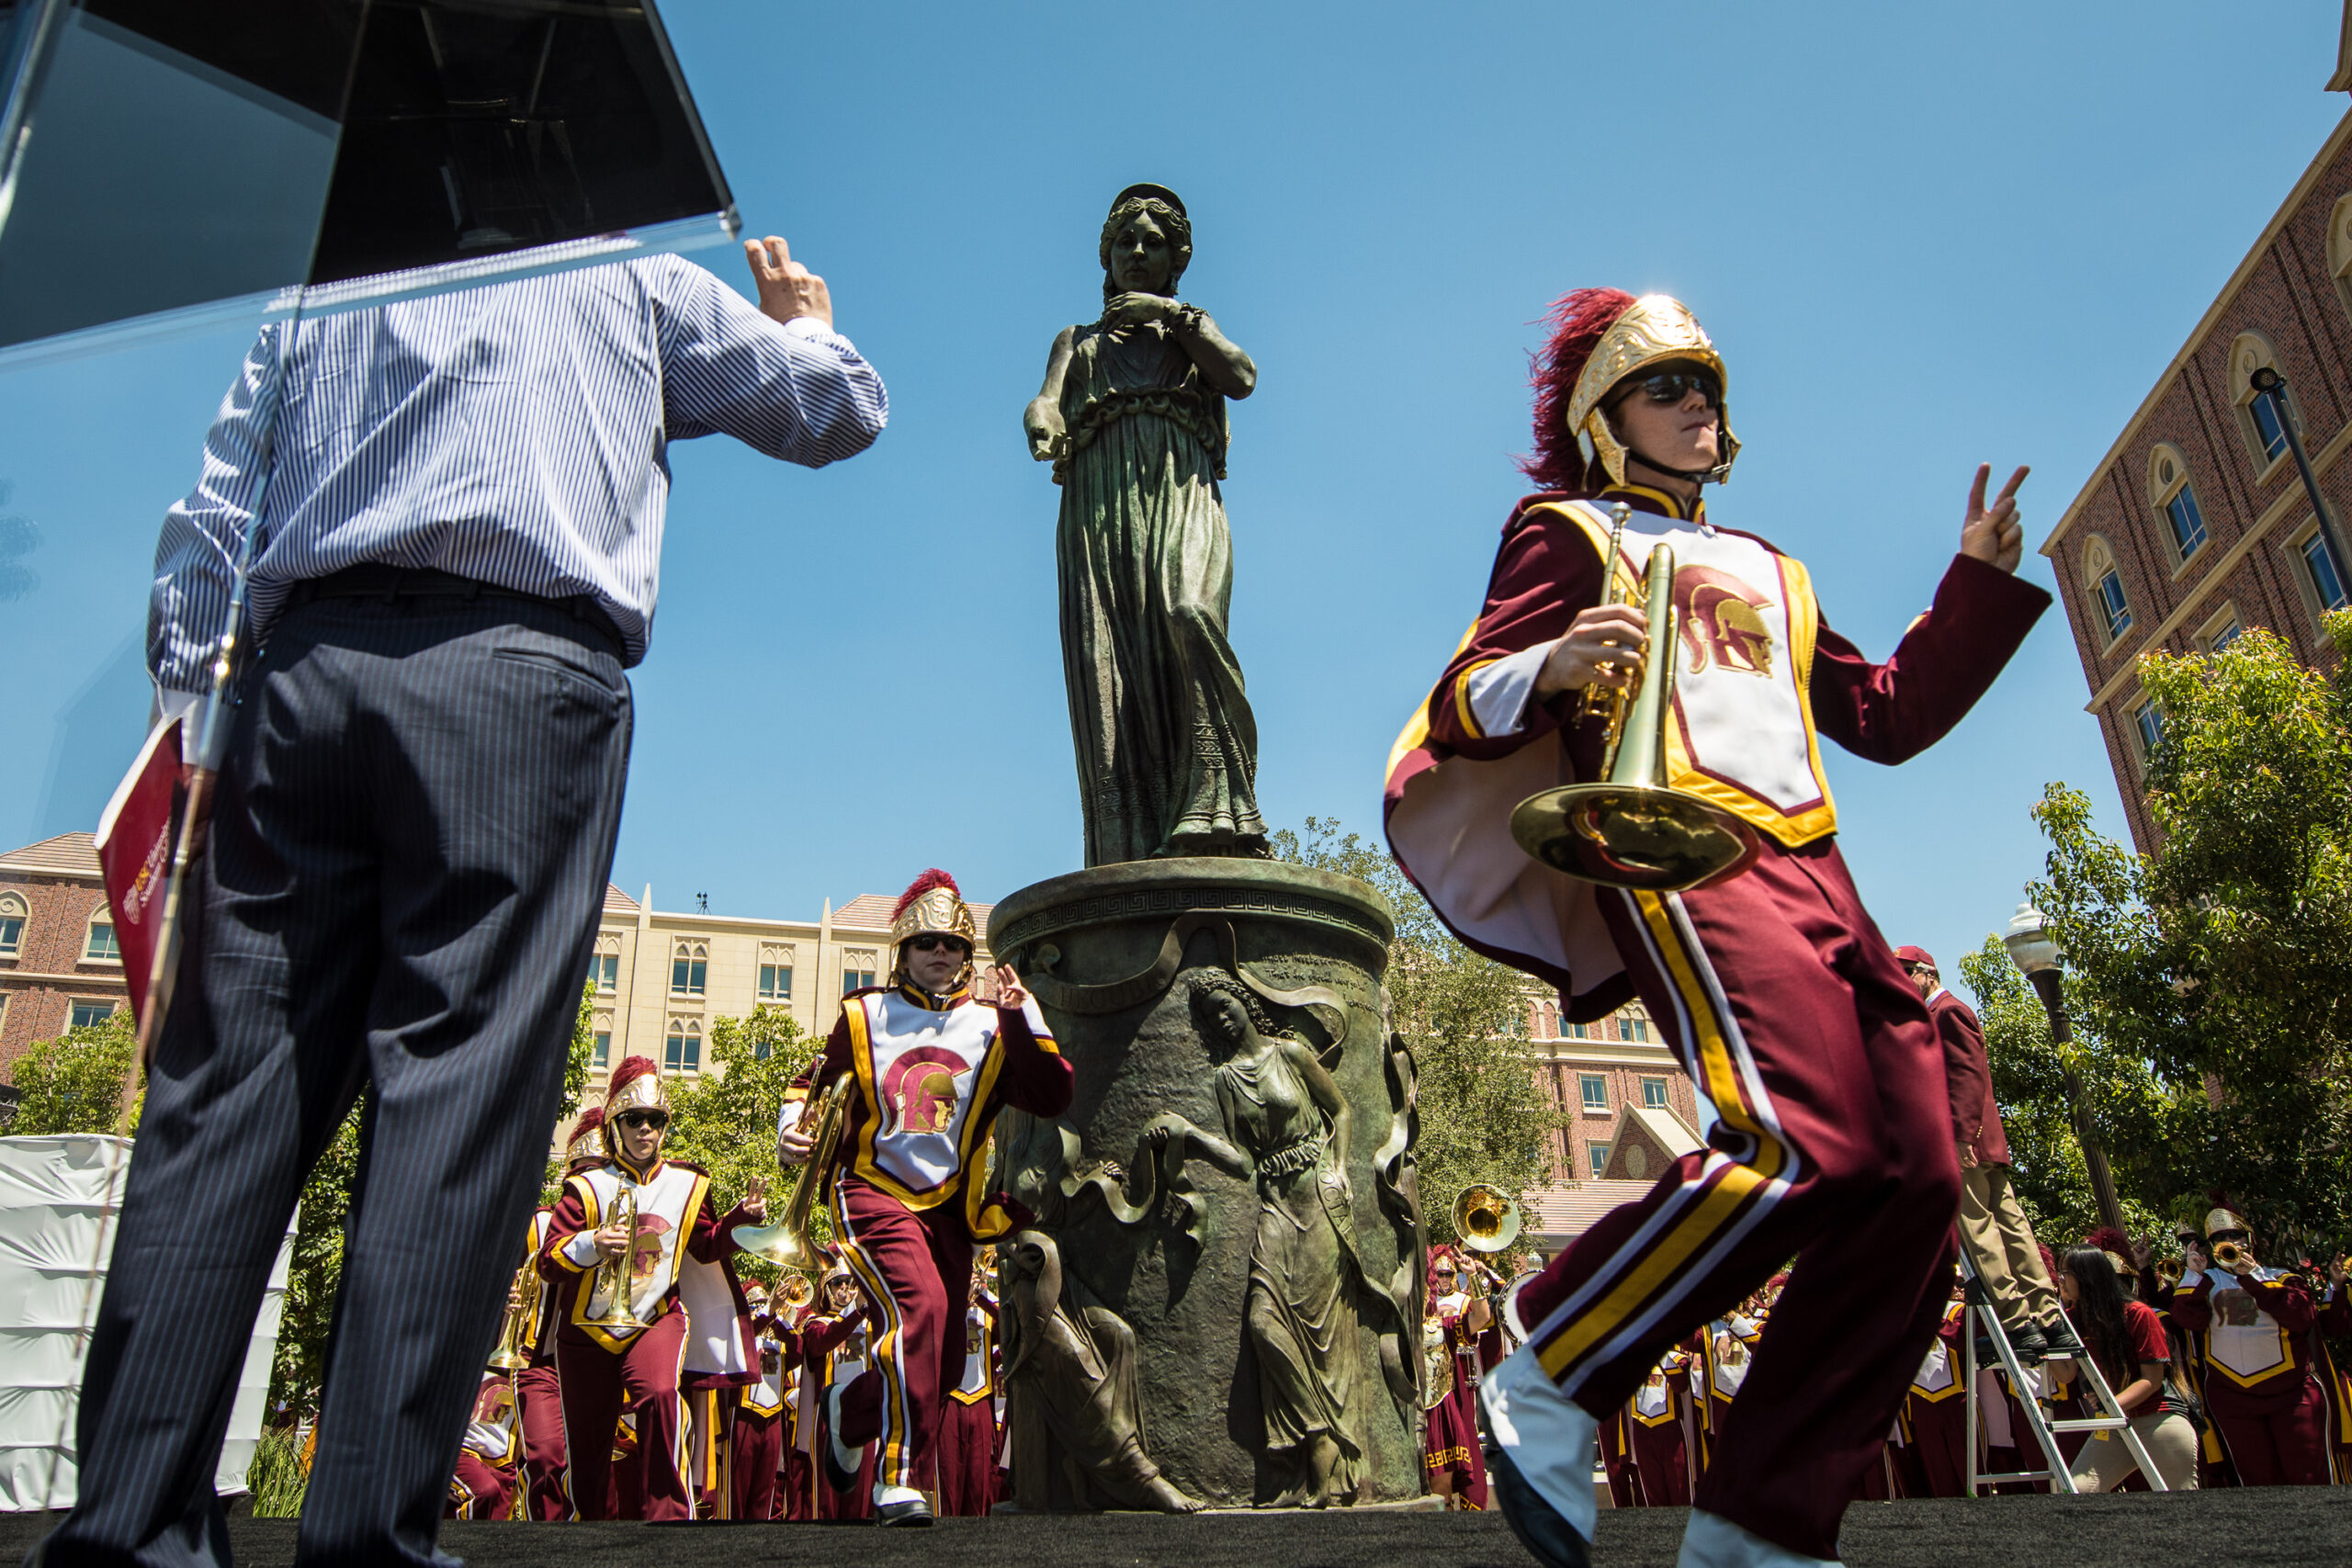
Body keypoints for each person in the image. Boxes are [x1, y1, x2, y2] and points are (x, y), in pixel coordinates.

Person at [43, 233, 884, 1568]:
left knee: (222, 1101)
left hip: (302, 679)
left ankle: (126, 1527)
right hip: (517, 676)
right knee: (455, 1096)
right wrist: (810, 322)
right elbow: (831, 411)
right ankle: (367, 1539)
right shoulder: (628, 275)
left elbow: (208, 524)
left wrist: (194, 726)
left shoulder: (320, 286)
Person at [1384, 288, 2048, 1568]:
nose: (1702, 409)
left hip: (1821, 872)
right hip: (1679, 852)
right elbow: (1468, 690)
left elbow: (1890, 715)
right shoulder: (1566, 531)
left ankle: (1761, 1522)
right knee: (1806, 1139)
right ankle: (1551, 1356)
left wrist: (1973, 580)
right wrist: (1555, 666)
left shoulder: (1776, 569)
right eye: (1670, 387)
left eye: (1711, 392)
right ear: (1602, 415)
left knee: (1915, 1169)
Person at [777, 869, 1073, 1525]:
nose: (941, 952)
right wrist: (789, 1132)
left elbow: (1053, 1095)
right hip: (872, 1188)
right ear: (902, 952)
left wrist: (1026, 1013)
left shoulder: (995, 1025)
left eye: (953, 944)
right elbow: (809, 1086)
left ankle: (850, 1412)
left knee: (938, 1361)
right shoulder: (864, 1013)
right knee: (923, 1306)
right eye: (926, 942)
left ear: (970, 955)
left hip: (950, 1208)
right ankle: (900, 1478)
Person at [1023, 184, 1269, 864]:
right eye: (1125, 242)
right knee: (1113, 668)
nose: (1136, 252)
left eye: (1152, 243)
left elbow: (1241, 375)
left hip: (1179, 486)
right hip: (1101, 505)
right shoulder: (1077, 341)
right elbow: (1047, 400)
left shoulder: (1190, 328)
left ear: (1174, 259)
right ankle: (1134, 838)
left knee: (1188, 609)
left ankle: (1221, 802)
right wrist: (1043, 415)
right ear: (1107, 254)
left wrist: (1173, 315)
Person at [540, 1057, 766, 1520]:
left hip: (655, 1318)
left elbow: (705, 1247)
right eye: (634, 1120)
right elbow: (549, 1262)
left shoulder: (689, 1184)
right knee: (588, 1445)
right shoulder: (584, 1187)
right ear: (615, 1125)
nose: (646, 1130)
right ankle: (586, 1530)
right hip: (586, 1331)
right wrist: (591, 1243)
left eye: (656, 1120)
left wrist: (740, 1220)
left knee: (661, 1394)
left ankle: (668, 1520)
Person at [1896, 947, 2077, 1360]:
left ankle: (2017, 1320)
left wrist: (1960, 1138)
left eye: (1906, 973)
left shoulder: (1947, 1012)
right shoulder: (1935, 1016)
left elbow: (1967, 1074)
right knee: (2012, 1226)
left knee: (1979, 1230)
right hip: (1979, 1143)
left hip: (1965, 1145)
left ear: (1928, 973)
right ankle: (2049, 1319)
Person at [2168, 1202, 2335, 1485]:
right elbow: (2185, 1319)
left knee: (2309, 1479)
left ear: (2250, 1240)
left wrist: (2254, 1275)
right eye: (2219, 1239)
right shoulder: (2205, 1282)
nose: (2228, 1243)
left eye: (2234, 1236)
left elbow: (2301, 1318)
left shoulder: (2282, 1277)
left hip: (2290, 1392)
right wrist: (2194, 1273)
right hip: (2233, 1396)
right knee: (2258, 1483)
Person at [2047, 1246, 2198, 1493]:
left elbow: (2152, 1380)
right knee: (2074, 1491)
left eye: (2064, 1273)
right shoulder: (2072, 1318)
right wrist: (2045, 1336)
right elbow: (2066, 1374)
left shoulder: (2139, 1314)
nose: (2060, 1281)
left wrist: (2109, 1403)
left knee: (2182, 1508)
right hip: (2113, 1425)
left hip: (2159, 1421)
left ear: (2086, 1276)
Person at [1421, 1248, 1492, 1509]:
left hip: (1439, 1414)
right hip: (1408, 1415)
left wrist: (1472, 1276)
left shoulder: (1442, 1326)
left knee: (1442, 1491)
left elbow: (1482, 1317)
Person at [936, 1258, 1001, 1517]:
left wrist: (983, 1296)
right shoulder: (943, 1303)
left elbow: (1010, 1321)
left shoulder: (987, 1311)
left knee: (978, 1486)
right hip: (949, 1401)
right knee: (948, 1485)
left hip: (981, 1400)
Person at [729, 1280, 794, 1522]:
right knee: (736, 1493)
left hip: (773, 1419)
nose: (758, 1309)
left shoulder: (778, 1338)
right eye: (753, 1305)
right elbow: (747, 1331)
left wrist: (778, 1319)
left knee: (763, 1497)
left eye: (762, 1304)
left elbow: (799, 1351)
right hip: (744, 1416)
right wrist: (768, 1310)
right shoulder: (744, 1334)